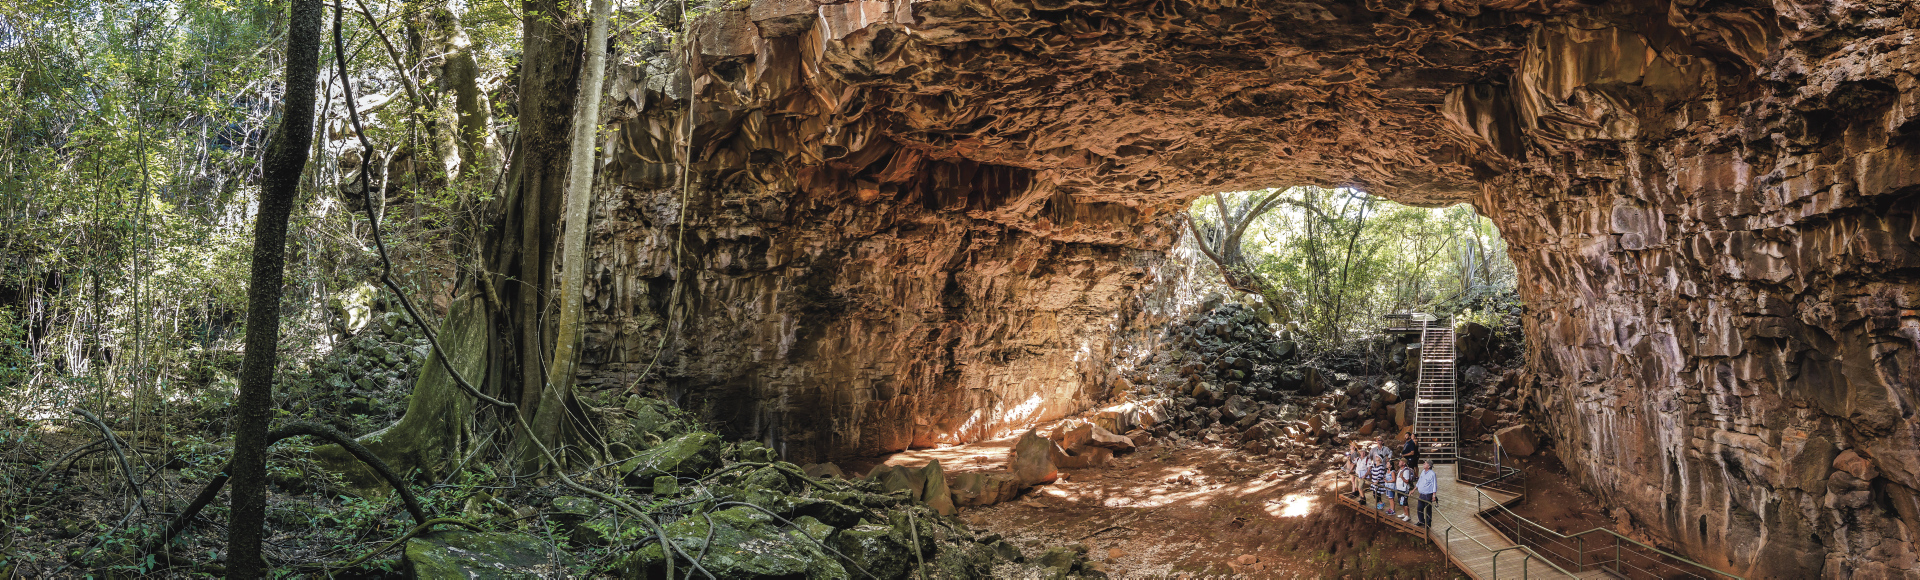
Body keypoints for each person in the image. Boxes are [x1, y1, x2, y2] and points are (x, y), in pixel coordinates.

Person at [1416, 460, 1439, 527]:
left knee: (1428, 509)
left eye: (1425, 463)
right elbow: (1419, 481)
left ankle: (1428, 523)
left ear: (1429, 466)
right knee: (1419, 508)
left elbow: (1434, 485)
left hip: (1428, 494)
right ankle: (1421, 521)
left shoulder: (1432, 474)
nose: (1423, 464)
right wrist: (1414, 489)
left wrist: (1434, 495)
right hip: (1422, 494)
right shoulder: (1423, 472)